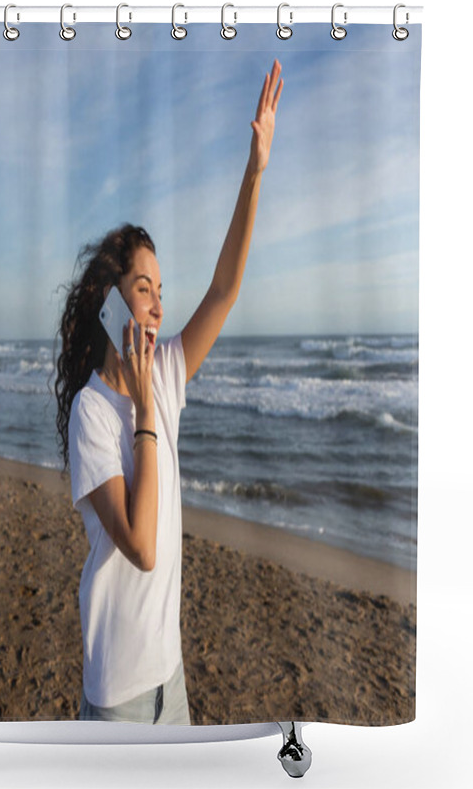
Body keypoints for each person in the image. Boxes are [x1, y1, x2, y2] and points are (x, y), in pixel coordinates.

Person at [54, 60, 283, 724]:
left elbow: (224, 289)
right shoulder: (93, 414)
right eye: (143, 288)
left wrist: (255, 171)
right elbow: (143, 547)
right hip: (117, 688)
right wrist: (149, 416)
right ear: (110, 304)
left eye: (160, 290)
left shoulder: (166, 371)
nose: (157, 305)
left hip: (171, 677)